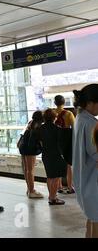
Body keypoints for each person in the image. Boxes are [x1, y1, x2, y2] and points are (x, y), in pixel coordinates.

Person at [72, 84, 98, 238]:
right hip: (93, 183)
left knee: (91, 220)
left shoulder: (79, 119)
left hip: (83, 180)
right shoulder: (92, 124)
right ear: (91, 103)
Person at [39, 109, 67, 205]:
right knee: (55, 178)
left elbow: (39, 141)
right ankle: (53, 198)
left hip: (45, 154)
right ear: (54, 118)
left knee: (50, 177)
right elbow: (61, 144)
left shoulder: (40, 128)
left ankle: (51, 196)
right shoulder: (57, 129)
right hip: (55, 155)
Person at [18, 111, 44, 198]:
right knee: (30, 170)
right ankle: (32, 191)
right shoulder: (38, 126)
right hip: (30, 149)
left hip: (23, 146)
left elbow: (23, 134)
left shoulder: (30, 123)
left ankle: (29, 189)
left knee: (26, 170)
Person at [54, 95, 76, 194]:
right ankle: (70, 187)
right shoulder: (68, 113)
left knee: (57, 163)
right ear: (64, 102)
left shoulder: (52, 113)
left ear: (55, 103)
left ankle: (59, 187)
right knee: (68, 164)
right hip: (67, 139)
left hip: (55, 139)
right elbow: (74, 127)